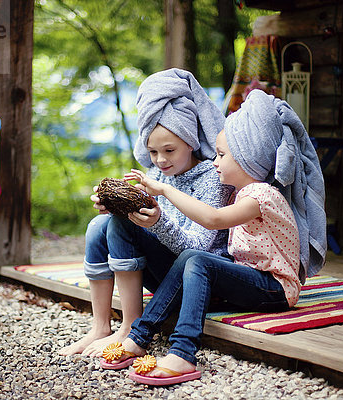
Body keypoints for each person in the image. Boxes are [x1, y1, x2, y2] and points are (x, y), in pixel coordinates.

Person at [100, 89, 326, 385]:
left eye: (221, 155)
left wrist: (165, 189)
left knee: (197, 259)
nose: (214, 161)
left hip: (275, 290)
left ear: (247, 158)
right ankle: (139, 336)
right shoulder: (244, 193)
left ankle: (183, 351)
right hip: (249, 281)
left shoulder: (262, 195)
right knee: (191, 258)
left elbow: (212, 218)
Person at [58, 68, 234, 357]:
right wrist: (115, 204)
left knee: (120, 227)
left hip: (194, 282)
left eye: (169, 150)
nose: (160, 160)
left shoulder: (212, 178)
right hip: (165, 271)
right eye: (153, 152)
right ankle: (100, 326)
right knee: (99, 224)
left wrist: (158, 222)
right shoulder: (157, 175)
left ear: (190, 141)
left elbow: (198, 249)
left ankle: (130, 325)